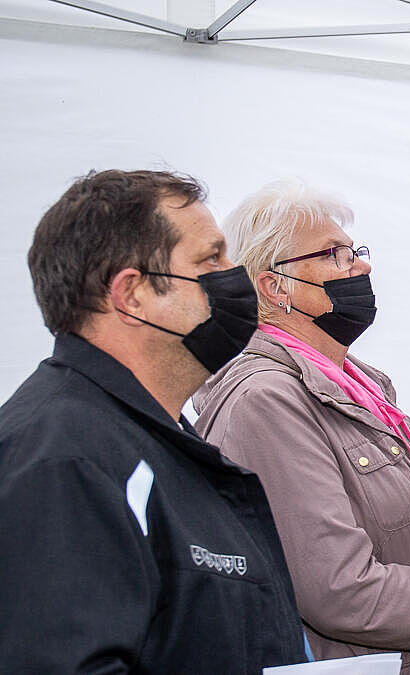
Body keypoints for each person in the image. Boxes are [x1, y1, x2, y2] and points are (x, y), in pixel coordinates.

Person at [193, 179, 410, 675]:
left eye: (356, 252)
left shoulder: (360, 386)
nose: (362, 267)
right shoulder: (265, 401)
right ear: (274, 286)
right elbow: (338, 588)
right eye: (336, 255)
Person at [0, 170, 307, 671]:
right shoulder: (64, 460)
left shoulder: (158, 440)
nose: (237, 274)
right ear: (132, 295)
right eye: (211, 258)